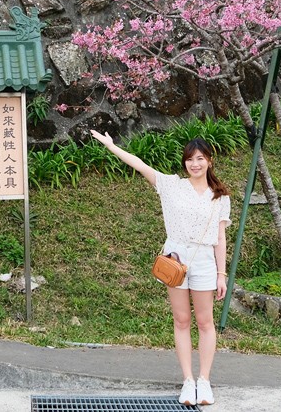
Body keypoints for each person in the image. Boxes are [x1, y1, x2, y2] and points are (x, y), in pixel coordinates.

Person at [90, 130, 231, 406]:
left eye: (200, 158)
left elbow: (221, 237)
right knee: (181, 320)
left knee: (205, 321)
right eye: (190, 159)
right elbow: (140, 164)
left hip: (204, 261)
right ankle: (188, 381)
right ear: (185, 163)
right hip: (175, 258)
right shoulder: (172, 185)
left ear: (209, 161)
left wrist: (221, 273)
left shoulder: (220, 197)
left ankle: (204, 380)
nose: (195, 164)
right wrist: (112, 146)